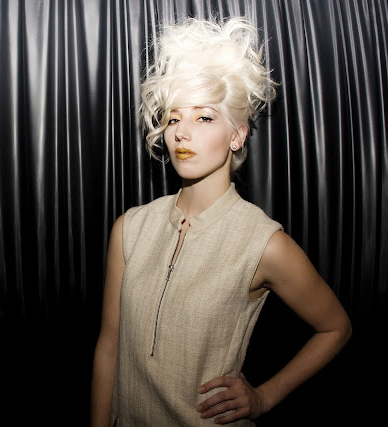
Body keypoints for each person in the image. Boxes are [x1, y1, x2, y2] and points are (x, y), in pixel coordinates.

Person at [90, 16, 352, 426]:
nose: (182, 133)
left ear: (237, 135)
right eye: (173, 118)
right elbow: (110, 345)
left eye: (204, 117)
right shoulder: (130, 228)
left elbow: (335, 328)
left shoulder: (263, 243)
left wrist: (263, 397)